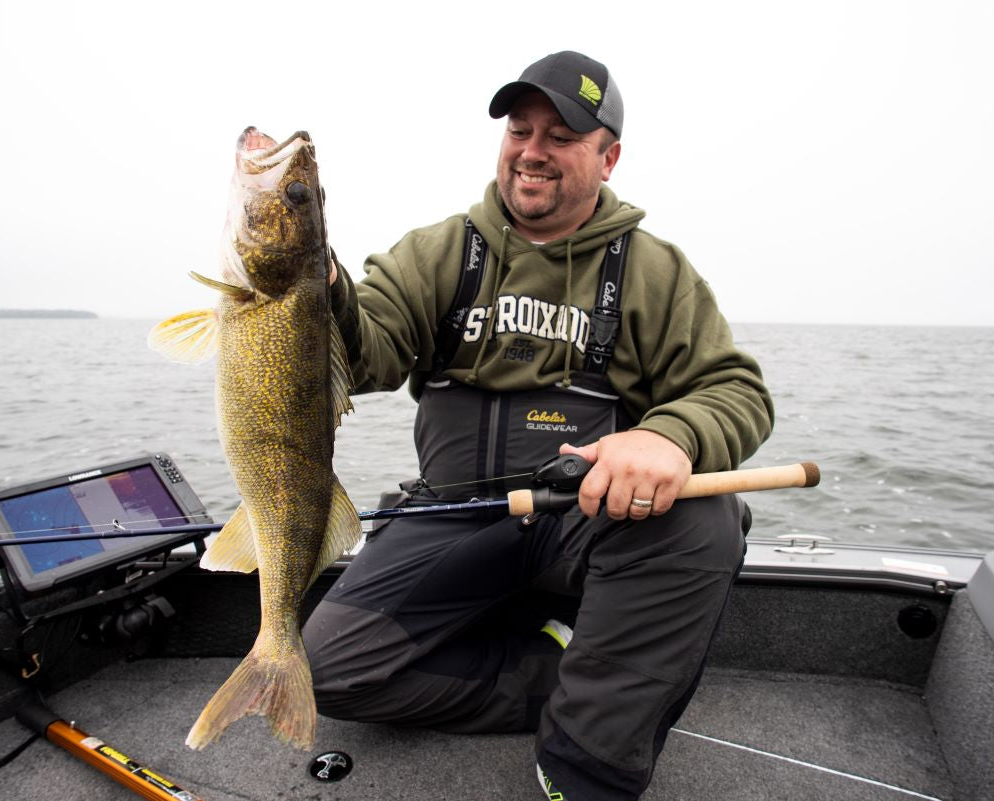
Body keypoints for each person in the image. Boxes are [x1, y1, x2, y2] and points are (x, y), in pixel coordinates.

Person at [304, 51, 774, 801]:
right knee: (325, 672)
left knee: (705, 518)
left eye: (561, 137)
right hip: (454, 516)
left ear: (608, 157)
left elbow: (734, 388)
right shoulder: (435, 252)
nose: (532, 151)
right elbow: (366, 355)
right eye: (520, 130)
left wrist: (667, 437)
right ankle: (564, 669)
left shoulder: (657, 272)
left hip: (587, 519)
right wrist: (318, 287)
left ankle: (586, 765)